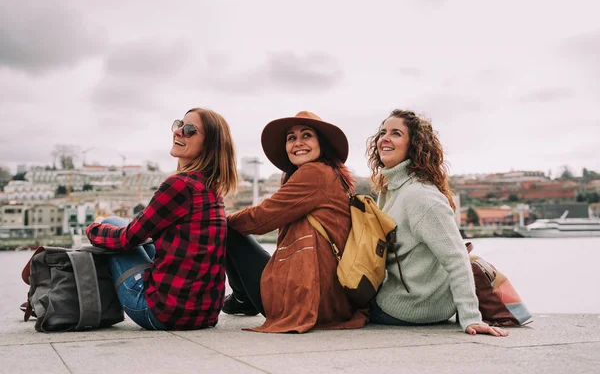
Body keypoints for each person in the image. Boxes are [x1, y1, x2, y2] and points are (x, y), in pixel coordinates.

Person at [85, 108, 237, 330]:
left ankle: (85, 299)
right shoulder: (211, 189)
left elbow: (127, 238)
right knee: (116, 223)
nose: (178, 132)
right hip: (205, 315)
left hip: (161, 313)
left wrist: (93, 229)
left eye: (189, 130)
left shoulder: (179, 185)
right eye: (178, 125)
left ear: (209, 144)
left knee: (110, 224)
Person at [365, 109, 508, 336]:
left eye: (396, 133)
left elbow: (456, 257)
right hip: (399, 296)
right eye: (382, 132)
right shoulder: (391, 189)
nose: (385, 138)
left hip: (409, 308)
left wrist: (470, 316)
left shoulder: (421, 196)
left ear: (414, 145)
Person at [223, 111, 368, 333]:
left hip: (306, 297)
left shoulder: (315, 172)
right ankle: (242, 298)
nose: (297, 143)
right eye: (291, 138)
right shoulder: (333, 175)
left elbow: (262, 218)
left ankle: (242, 298)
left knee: (228, 230)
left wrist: (221, 219)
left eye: (306, 135)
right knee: (233, 228)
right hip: (334, 298)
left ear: (322, 143)